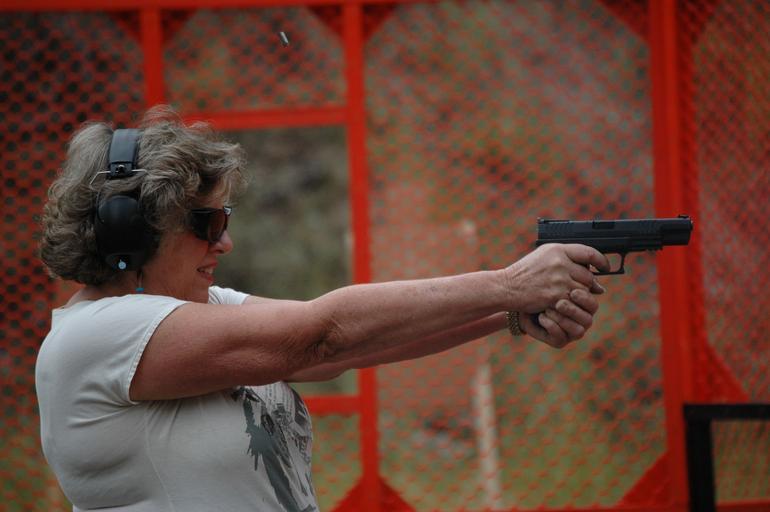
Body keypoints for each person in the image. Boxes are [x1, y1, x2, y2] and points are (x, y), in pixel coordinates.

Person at [36, 105, 609, 512]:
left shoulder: (198, 307)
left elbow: (336, 352)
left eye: (224, 220)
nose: (224, 243)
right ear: (133, 231)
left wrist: (510, 311)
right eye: (207, 223)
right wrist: (510, 284)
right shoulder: (96, 337)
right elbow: (318, 335)